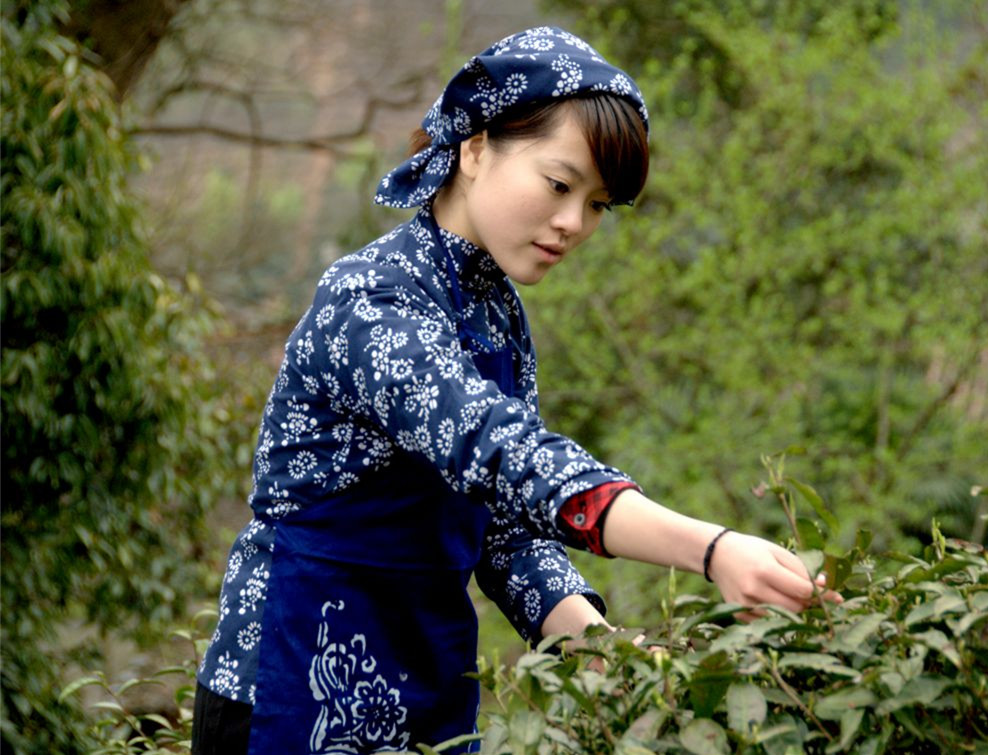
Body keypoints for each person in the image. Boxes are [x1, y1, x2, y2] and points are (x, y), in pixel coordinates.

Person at [192, 26, 839, 755]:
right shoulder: (371, 299)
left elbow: (499, 528)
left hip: (425, 684)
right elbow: (501, 455)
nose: (573, 223)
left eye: (597, 204)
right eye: (560, 185)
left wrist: (604, 649)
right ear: (473, 148)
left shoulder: (498, 316)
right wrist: (711, 548)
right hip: (294, 677)